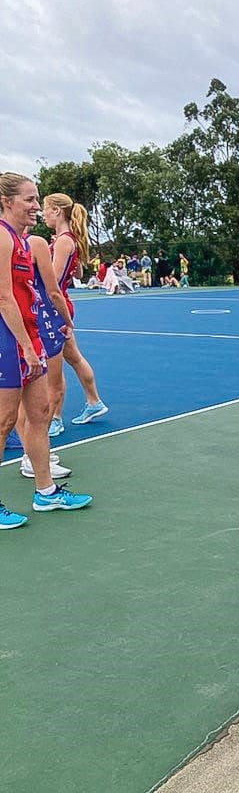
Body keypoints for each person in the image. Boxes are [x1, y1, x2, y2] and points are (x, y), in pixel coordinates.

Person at [0, 172, 92, 527]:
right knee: (5, 421)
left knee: (39, 414)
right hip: (9, 339)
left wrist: (37, 340)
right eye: (29, 200)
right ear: (7, 201)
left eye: (38, 199)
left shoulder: (28, 241)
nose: (36, 206)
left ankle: (46, 492)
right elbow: (4, 297)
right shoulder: (3, 238)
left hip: (29, 336)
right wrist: (25, 346)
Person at [42, 192, 109, 430]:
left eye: (46, 209)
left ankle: (55, 418)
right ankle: (94, 401)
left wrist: (42, 257)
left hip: (55, 308)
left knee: (55, 366)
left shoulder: (63, 241)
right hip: (61, 305)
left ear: (57, 211)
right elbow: (79, 273)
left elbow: (53, 279)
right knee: (73, 357)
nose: (43, 214)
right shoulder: (68, 240)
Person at [15, 229, 75, 479]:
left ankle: (33, 453)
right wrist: (67, 319)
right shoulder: (35, 243)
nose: (36, 209)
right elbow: (53, 290)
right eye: (30, 200)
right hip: (43, 320)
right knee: (52, 390)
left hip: (23, 321)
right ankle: (32, 455)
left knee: (22, 395)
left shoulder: (13, 242)